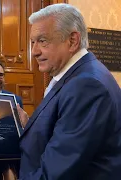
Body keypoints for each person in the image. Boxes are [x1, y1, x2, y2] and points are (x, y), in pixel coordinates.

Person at [18, 4, 121, 179]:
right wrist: (31, 126)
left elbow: (58, 172)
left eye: (43, 41)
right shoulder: (77, 75)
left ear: (72, 41)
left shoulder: (86, 85)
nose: (34, 51)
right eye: (32, 42)